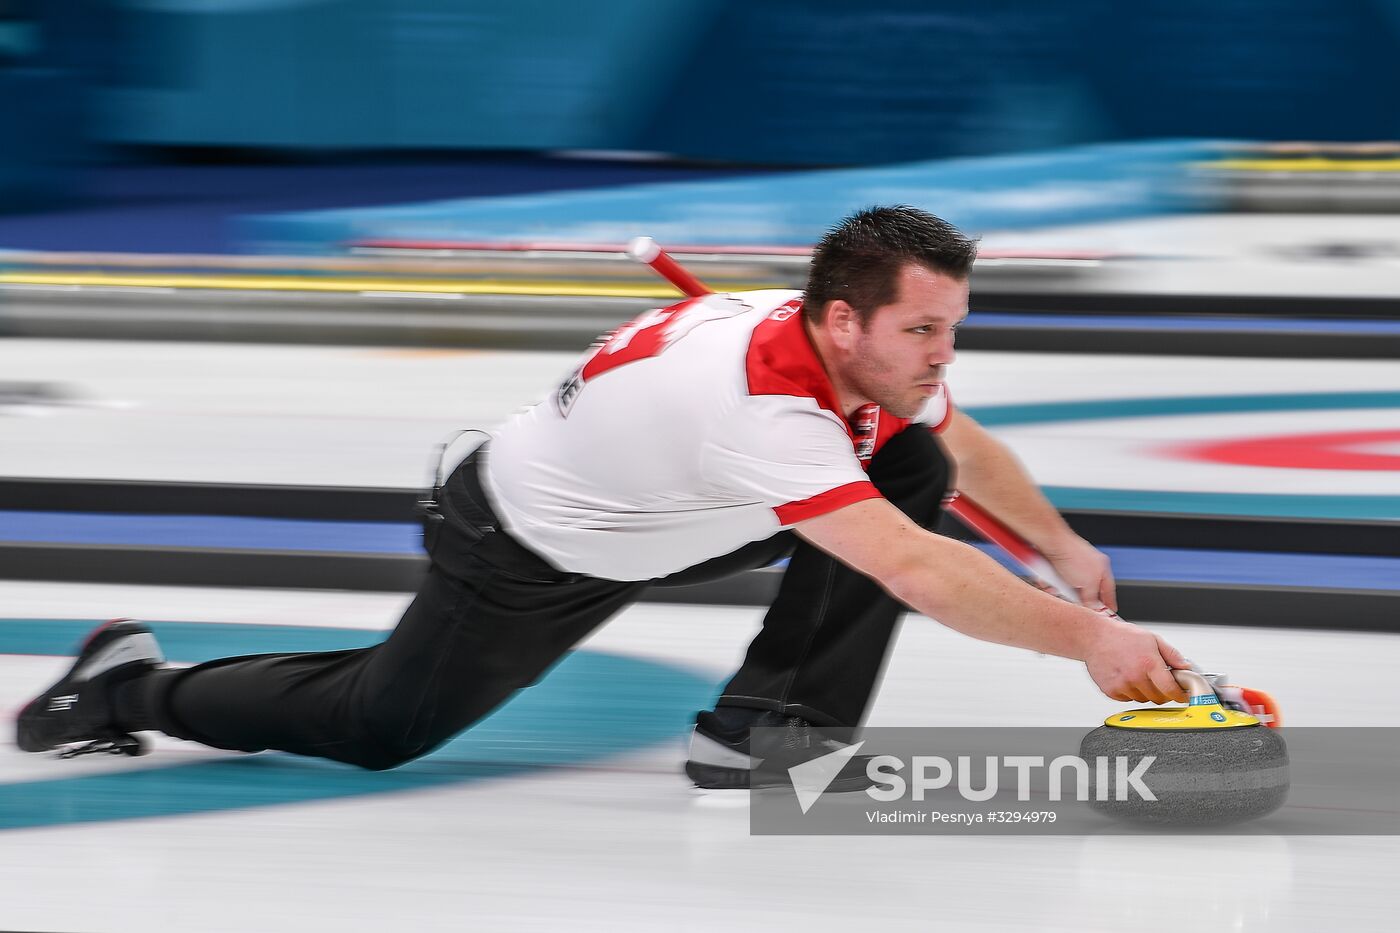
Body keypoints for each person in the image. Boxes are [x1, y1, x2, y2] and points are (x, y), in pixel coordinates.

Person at [17, 205, 1188, 787]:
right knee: (383, 729)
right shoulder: (763, 407)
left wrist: (1063, 545)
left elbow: (954, 442)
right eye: (922, 329)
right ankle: (139, 684)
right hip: (525, 548)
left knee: (911, 463)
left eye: (951, 328)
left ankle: (761, 731)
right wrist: (1086, 639)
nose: (940, 352)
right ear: (844, 319)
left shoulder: (843, 350)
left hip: (666, 515)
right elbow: (916, 567)